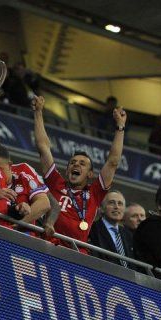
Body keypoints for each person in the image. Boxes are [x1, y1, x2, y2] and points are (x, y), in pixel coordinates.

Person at [32, 94, 127, 253]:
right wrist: (38, 112)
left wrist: (120, 127)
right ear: (68, 169)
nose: (76, 164)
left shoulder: (95, 193)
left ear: (90, 174)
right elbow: (43, 147)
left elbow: (113, 161)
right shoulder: (56, 181)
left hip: (77, 255)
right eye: (72, 162)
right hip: (47, 247)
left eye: (82, 164)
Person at [0, 145, 59, 236]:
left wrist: (18, 225)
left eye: (0, 169)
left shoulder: (22, 171)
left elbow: (44, 203)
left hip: (23, 236)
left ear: (10, 165)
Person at [88, 190, 134, 269]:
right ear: (102, 208)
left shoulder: (128, 235)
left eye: (120, 204)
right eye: (112, 203)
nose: (116, 207)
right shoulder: (92, 229)